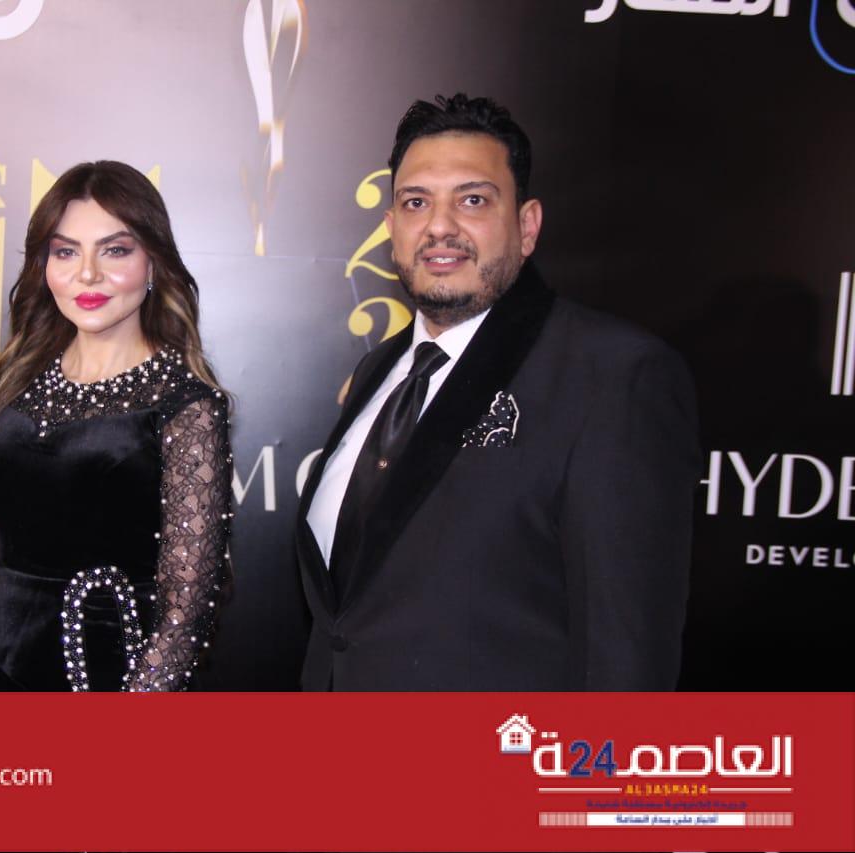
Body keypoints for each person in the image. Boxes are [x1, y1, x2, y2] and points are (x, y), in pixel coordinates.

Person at [296, 94, 700, 691]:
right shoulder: (379, 370)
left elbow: (625, 655)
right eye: (416, 202)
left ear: (527, 226)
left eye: (473, 200)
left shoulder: (614, 376)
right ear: (391, 228)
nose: (439, 226)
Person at [0, 161, 232, 692]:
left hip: (108, 680)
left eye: (115, 250)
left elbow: (187, 612)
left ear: (153, 262)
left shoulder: (187, 405)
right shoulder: (18, 378)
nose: (87, 274)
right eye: (66, 252)